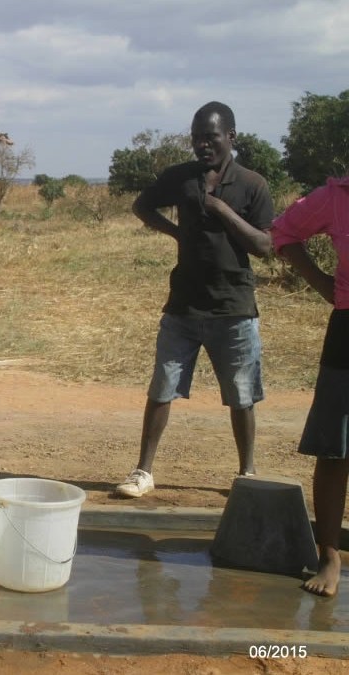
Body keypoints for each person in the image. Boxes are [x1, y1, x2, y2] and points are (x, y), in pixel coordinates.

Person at [115, 101, 273, 498]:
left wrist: (220, 209)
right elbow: (142, 206)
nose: (203, 145)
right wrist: (175, 233)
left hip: (234, 308)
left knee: (241, 396)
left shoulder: (253, 185)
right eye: (197, 138)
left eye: (211, 138)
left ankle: (246, 474)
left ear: (231, 138)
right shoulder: (181, 177)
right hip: (183, 305)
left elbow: (266, 246)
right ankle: (143, 472)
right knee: (161, 388)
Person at [271, 177, 349, 596]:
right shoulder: (337, 197)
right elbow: (284, 231)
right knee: (336, 448)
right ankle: (331, 555)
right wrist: (326, 287)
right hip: (347, 331)